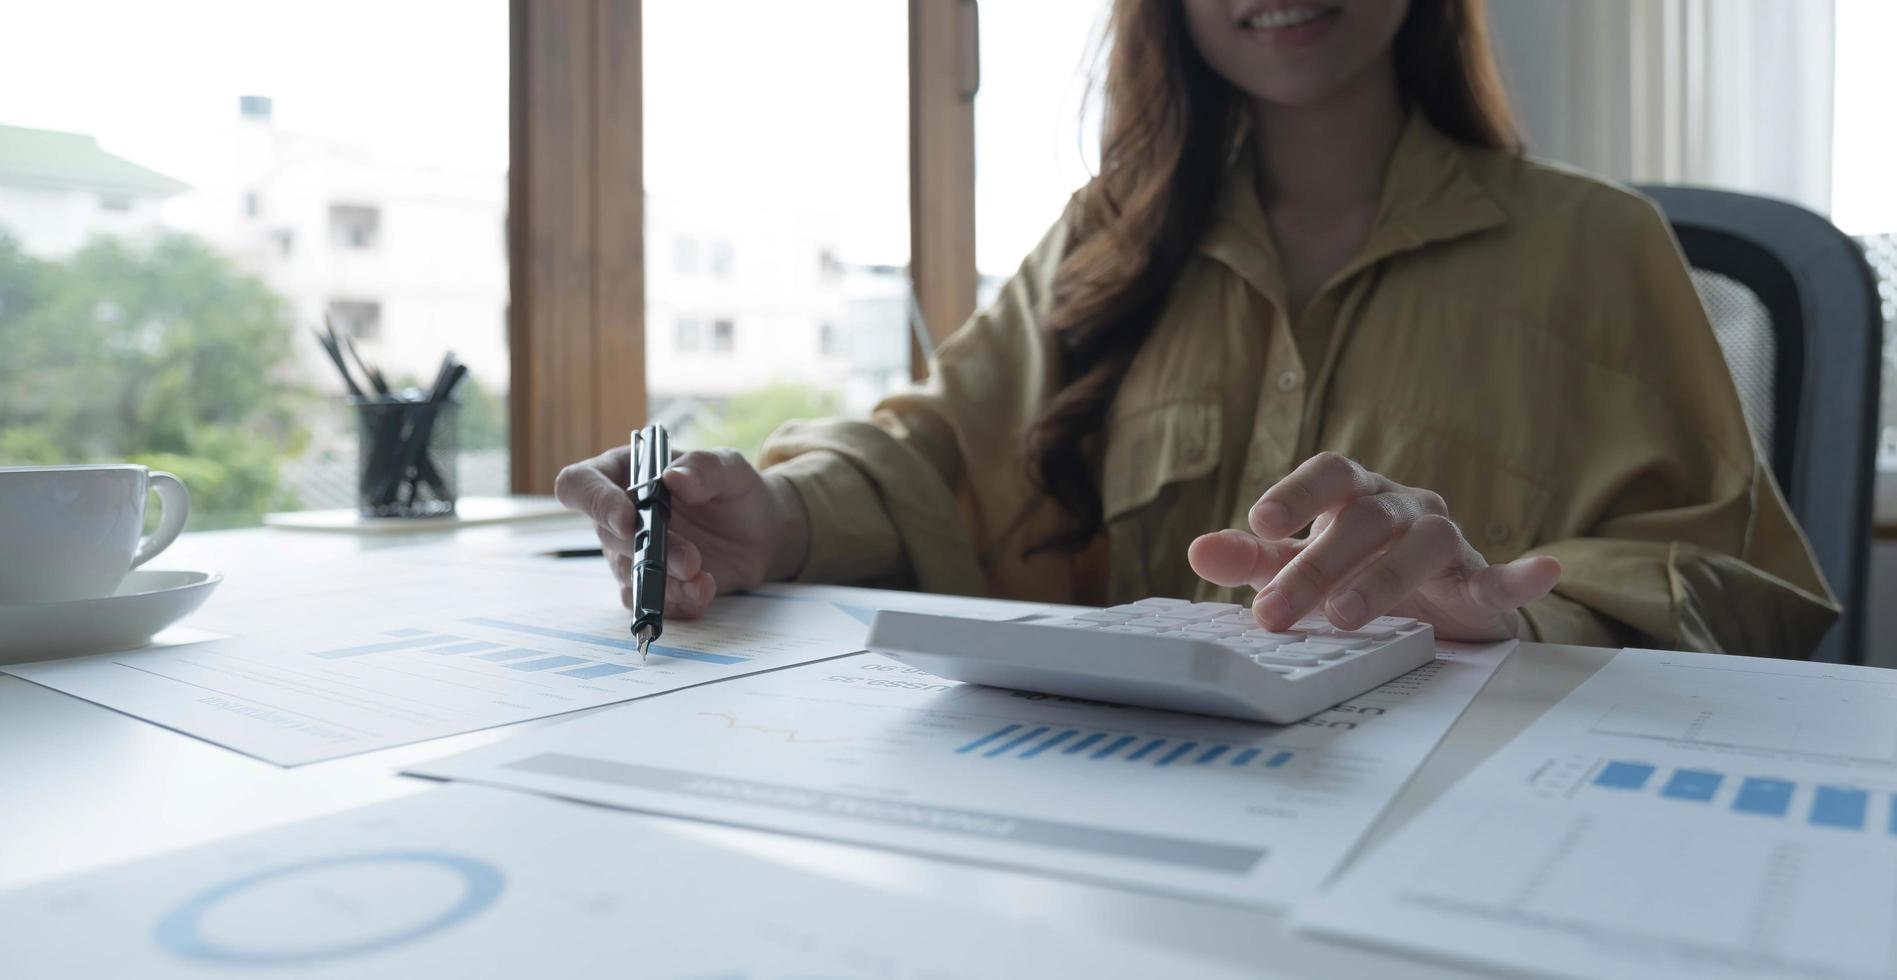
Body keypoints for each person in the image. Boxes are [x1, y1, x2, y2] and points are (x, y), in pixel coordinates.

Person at [557, 0, 1838, 655]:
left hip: (1454, 846)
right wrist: (774, 515)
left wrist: (1510, 615)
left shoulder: (1597, 246)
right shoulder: (1102, 239)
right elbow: (933, 452)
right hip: (1118, 843)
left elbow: (1744, 587)